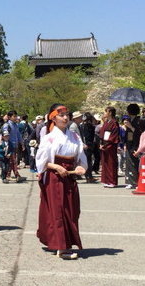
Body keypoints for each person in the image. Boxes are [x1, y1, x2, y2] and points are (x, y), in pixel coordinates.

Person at [35, 103, 87, 260]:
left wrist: (80, 167)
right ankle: (61, 247)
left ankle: (66, 242)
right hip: (55, 178)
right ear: (53, 118)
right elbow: (41, 162)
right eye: (61, 115)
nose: (65, 117)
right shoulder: (49, 138)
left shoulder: (75, 137)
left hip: (69, 177)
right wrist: (56, 166)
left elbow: (80, 157)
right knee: (58, 211)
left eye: (67, 114)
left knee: (72, 210)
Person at [2, 111, 25, 182]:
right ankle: (16, 175)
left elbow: (18, 135)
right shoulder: (6, 125)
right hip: (9, 146)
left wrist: (22, 143)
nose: (15, 118)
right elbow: (5, 136)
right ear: (9, 117)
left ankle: (8, 175)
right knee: (13, 161)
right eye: (14, 116)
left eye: (16, 116)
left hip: (15, 145)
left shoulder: (16, 125)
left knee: (12, 161)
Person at [99, 107, 119, 188]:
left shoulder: (114, 123)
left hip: (110, 145)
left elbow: (113, 136)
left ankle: (112, 181)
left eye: (106, 112)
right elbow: (102, 133)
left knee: (111, 163)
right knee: (105, 163)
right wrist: (101, 143)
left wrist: (106, 145)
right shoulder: (107, 122)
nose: (105, 113)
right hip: (104, 144)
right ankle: (106, 180)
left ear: (110, 113)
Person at [123, 104, 142, 189]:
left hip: (136, 144)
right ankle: (130, 181)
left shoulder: (139, 120)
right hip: (129, 143)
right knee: (129, 163)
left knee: (134, 163)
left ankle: (135, 181)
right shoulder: (129, 120)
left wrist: (130, 126)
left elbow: (139, 132)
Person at [79, 112, 97, 183]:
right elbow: (90, 136)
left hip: (84, 144)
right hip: (89, 144)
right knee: (88, 161)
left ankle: (88, 176)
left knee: (86, 161)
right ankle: (89, 177)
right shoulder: (90, 126)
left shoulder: (82, 125)